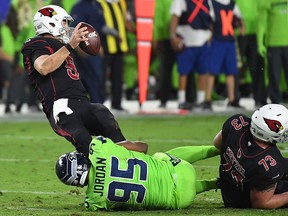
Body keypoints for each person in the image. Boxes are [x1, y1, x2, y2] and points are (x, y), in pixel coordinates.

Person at [21, 5, 133, 157]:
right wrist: (70, 45)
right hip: (61, 107)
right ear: (50, 23)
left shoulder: (63, 46)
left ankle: (129, 159)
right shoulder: (36, 44)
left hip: (82, 102)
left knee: (102, 113)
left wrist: (84, 43)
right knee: (84, 140)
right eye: (64, 22)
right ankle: (93, 169)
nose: (67, 27)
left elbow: (85, 54)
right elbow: (44, 67)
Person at [55, 136, 219, 211]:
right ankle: (216, 149)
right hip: (182, 169)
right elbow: (143, 147)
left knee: (163, 192)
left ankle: (213, 184)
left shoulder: (94, 202)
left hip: (180, 201)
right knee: (159, 157)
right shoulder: (98, 148)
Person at [214, 103, 288, 209]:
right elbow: (262, 203)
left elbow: (217, 143)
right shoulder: (269, 161)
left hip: (230, 189)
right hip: (243, 200)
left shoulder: (236, 122)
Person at [170, 0, 212, 111]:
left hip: (203, 40)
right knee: (183, 72)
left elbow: (211, 19)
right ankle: (181, 100)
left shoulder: (207, 1)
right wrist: (173, 36)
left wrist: (211, 36)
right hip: (186, 40)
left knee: (203, 71)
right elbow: (175, 17)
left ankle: (200, 100)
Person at [204, 0, 245, 110]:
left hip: (229, 40)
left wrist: (241, 26)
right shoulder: (212, 3)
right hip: (218, 40)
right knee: (212, 71)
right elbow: (209, 21)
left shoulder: (231, 3)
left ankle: (232, 99)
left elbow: (239, 17)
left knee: (231, 71)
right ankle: (207, 99)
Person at [70, 0, 106, 104]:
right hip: (84, 48)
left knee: (98, 77)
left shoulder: (97, 5)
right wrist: (78, 48)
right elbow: (74, 29)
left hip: (95, 48)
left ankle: (97, 104)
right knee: (88, 78)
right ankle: (93, 104)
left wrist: (100, 45)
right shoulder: (78, 7)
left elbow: (100, 28)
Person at [257, 0, 288, 104]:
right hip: (273, 44)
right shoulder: (267, 2)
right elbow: (262, 23)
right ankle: (276, 102)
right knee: (274, 74)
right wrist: (260, 42)